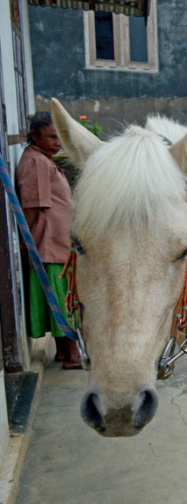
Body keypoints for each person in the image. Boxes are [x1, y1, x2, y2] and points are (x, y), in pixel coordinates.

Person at [15, 112, 80, 369]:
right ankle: (73, 355)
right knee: (62, 300)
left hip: (57, 244)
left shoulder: (44, 160)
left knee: (61, 298)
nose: (57, 143)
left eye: (59, 137)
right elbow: (31, 206)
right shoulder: (36, 163)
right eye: (52, 137)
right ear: (34, 136)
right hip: (48, 245)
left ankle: (64, 353)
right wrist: (26, 241)